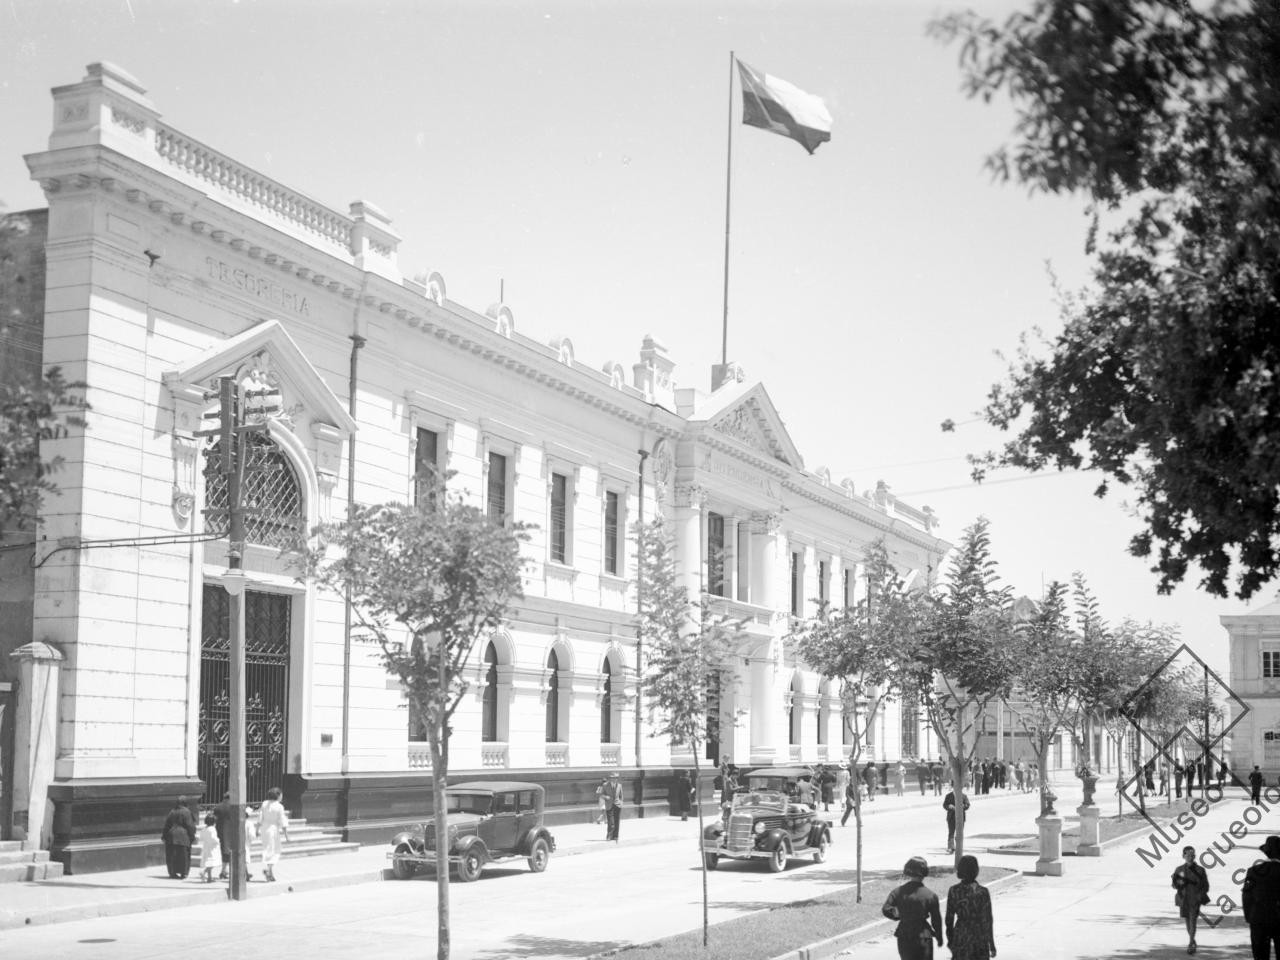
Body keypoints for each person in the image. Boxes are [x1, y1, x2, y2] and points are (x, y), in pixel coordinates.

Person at [882, 856, 943, 960]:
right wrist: (939, 936)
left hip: (904, 935)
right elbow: (936, 919)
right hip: (924, 936)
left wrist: (899, 914)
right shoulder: (930, 895)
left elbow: (886, 909)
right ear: (924, 873)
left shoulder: (897, 892)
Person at [946, 854, 996, 959]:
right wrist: (991, 943)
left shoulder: (954, 891)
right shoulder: (982, 892)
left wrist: (950, 939)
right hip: (979, 936)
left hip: (961, 934)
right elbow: (987, 920)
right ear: (976, 871)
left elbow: (949, 919)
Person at [1243, 835, 1280, 960]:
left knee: (1260, 956)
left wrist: (1250, 918)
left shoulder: (1253, 871)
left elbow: (1247, 897)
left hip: (1259, 921)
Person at [1172, 844, 1210, 955]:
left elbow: (1206, 886)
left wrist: (1200, 896)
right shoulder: (1179, 870)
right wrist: (1178, 882)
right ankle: (1192, 940)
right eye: (1188, 855)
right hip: (1183, 899)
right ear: (1183, 856)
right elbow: (1174, 885)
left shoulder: (1200, 870)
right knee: (1187, 921)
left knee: (1193, 921)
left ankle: (1190, 943)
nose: (1190, 857)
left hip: (1195, 900)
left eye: (1192, 855)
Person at [257, 786, 289, 883]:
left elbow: (260, 817)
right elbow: (282, 821)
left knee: (267, 849)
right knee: (274, 850)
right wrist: (287, 835)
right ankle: (269, 870)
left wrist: (257, 829)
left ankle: (270, 873)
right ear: (278, 795)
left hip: (264, 829)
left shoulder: (265, 803)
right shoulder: (279, 806)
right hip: (273, 830)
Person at [161, 796, 197, 880]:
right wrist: (192, 836)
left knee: (172, 855)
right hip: (183, 836)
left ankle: (172, 873)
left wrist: (163, 836)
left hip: (171, 836)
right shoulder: (187, 812)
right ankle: (183, 873)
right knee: (183, 855)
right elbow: (190, 826)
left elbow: (167, 825)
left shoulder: (172, 811)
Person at [212, 790, 235, 880]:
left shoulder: (218, 806)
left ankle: (224, 870)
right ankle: (226, 871)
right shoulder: (233, 807)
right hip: (231, 831)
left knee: (223, 850)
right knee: (231, 851)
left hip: (220, 830)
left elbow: (214, 818)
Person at [944, 787, 971, 854]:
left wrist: (963, 806)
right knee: (951, 833)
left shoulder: (964, 796)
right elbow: (944, 805)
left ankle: (959, 847)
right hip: (951, 817)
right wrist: (948, 806)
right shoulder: (948, 796)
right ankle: (951, 847)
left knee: (959, 833)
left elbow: (967, 805)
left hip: (961, 818)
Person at [197, 813, 222, 884]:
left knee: (208, 862)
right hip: (212, 848)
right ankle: (204, 872)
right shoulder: (212, 829)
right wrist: (218, 840)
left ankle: (209, 877)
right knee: (212, 863)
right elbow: (214, 838)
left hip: (206, 846)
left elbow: (201, 838)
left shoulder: (204, 829)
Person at [603, 770, 625, 841]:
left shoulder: (619, 785)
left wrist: (621, 803)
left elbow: (621, 796)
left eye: (616, 778)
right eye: (613, 778)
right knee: (610, 822)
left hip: (617, 805)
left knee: (616, 821)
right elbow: (601, 794)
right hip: (609, 805)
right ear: (610, 778)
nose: (614, 779)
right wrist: (606, 797)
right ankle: (609, 836)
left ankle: (616, 836)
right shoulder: (605, 785)